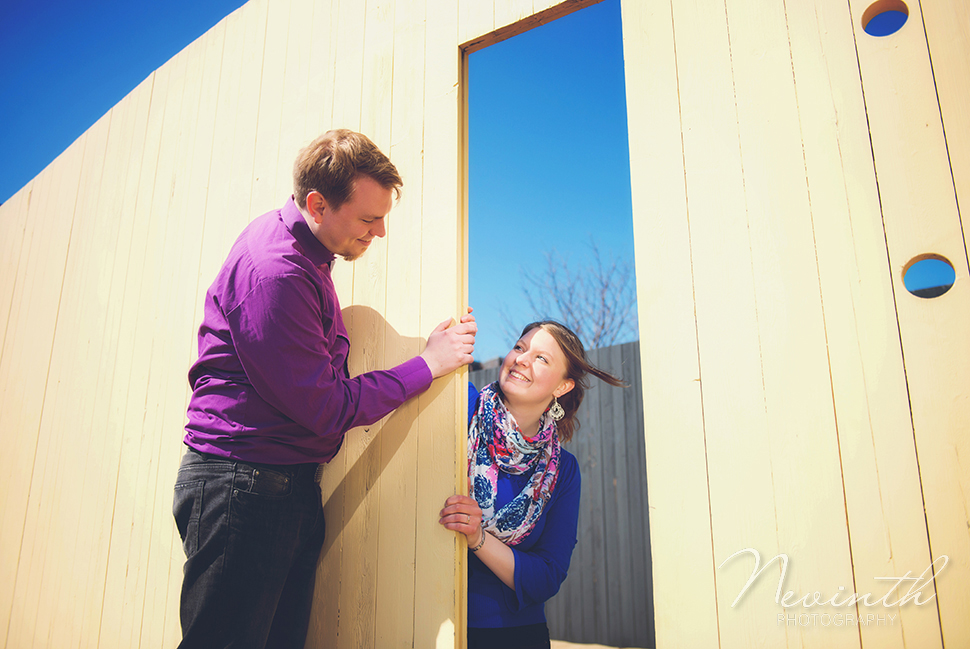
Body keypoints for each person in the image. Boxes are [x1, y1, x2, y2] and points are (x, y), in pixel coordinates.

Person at [173, 129, 477, 649]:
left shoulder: (305, 255)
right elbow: (324, 406)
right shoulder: (275, 272)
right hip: (245, 487)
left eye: (383, 216)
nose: (380, 231)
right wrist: (426, 364)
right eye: (367, 218)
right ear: (317, 203)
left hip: (273, 484)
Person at [439, 320, 625, 649]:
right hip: (430, 624)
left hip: (514, 635)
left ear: (562, 387)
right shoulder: (460, 407)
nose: (522, 359)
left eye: (541, 358)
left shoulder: (562, 470)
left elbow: (547, 576)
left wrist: (477, 537)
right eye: (520, 348)